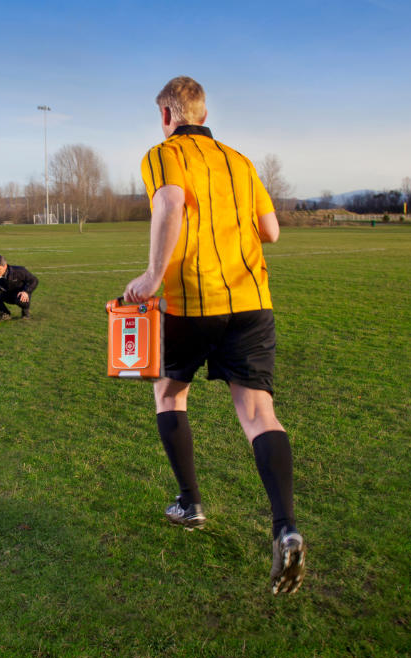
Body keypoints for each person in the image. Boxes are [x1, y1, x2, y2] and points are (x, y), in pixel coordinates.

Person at [123, 76, 305, 595]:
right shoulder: (242, 163)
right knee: (257, 413)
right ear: (203, 113)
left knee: (169, 393)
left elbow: (171, 203)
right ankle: (285, 526)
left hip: (189, 301)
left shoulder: (163, 154)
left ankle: (190, 502)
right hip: (251, 301)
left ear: (167, 114)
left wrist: (152, 276)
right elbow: (271, 230)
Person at [0, 255, 38, 320]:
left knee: (22, 298)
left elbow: (34, 280)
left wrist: (26, 291)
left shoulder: (19, 271)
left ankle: (25, 312)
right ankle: (4, 314)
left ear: (5, 266)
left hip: (19, 295)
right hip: (5, 295)